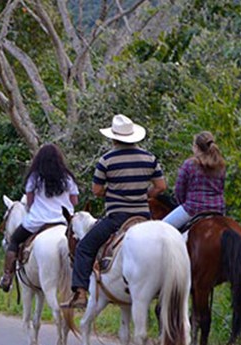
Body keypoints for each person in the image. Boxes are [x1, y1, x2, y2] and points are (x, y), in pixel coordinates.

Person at [61, 114, 166, 309]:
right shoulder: (149, 158)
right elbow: (161, 186)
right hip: (144, 217)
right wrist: (144, 193)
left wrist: (114, 192)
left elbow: (97, 190)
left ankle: (81, 293)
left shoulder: (106, 160)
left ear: (113, 138)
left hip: (117, 218)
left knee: (84, 247)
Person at [0, 143, 79, 292]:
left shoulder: (34, 178)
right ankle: (84, 283)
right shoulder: (68, 178)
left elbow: (29, 202)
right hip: (63, 221)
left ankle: (7, 276)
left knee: (14, 240)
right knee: (81, 245)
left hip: (38, 221)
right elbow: (75, 201)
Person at [162, 131, 226, 229]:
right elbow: (221, 188)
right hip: (217, 209)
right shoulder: (221, 165)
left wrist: (183, 203)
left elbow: (179, 190)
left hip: (193, 208)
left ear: (196, 147)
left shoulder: (189, 164)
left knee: (161, 228)